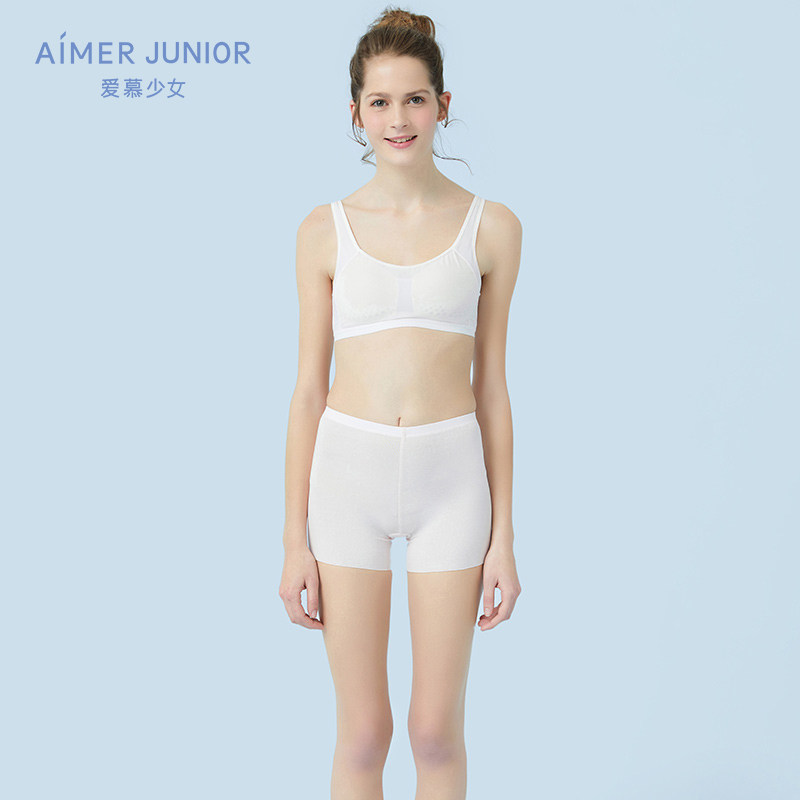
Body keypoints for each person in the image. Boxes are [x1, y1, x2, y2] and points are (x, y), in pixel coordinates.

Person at [278, 6, 522, 798]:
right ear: (355, 112)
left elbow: (493, 388)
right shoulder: (324, 230)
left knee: (434, 733)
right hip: (346, 480)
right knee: (362, 736)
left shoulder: (493, 228)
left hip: (453, 484)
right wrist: (293, 542)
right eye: (379, 102)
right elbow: (307, 390)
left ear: (442, 105)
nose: (398, 119)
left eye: (415, 99)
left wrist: (504, 540)